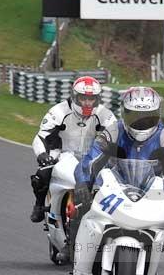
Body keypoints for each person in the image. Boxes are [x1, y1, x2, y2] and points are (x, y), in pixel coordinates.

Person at [68, 86, 164, 267]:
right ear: (125, 113)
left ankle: (151, 256)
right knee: (78, 205)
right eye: (135, 116)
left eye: (147, 116)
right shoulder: (113, 131)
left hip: (150, 192)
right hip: (112, 187)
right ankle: (72, 249)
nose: (141, 121)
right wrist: (83, 184)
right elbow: (91, 159)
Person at [29, 76, 117, 224]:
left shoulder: (105, 115)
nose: (87, 103)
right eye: (83, 98)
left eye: (92, 99)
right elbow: (42, 136)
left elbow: (117, 138)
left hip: (93, 156)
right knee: (43, 171)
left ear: (97, 99)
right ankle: (39, 205)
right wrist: (42, 154)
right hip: (63, 154)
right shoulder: (58, 111)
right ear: (75, 96)